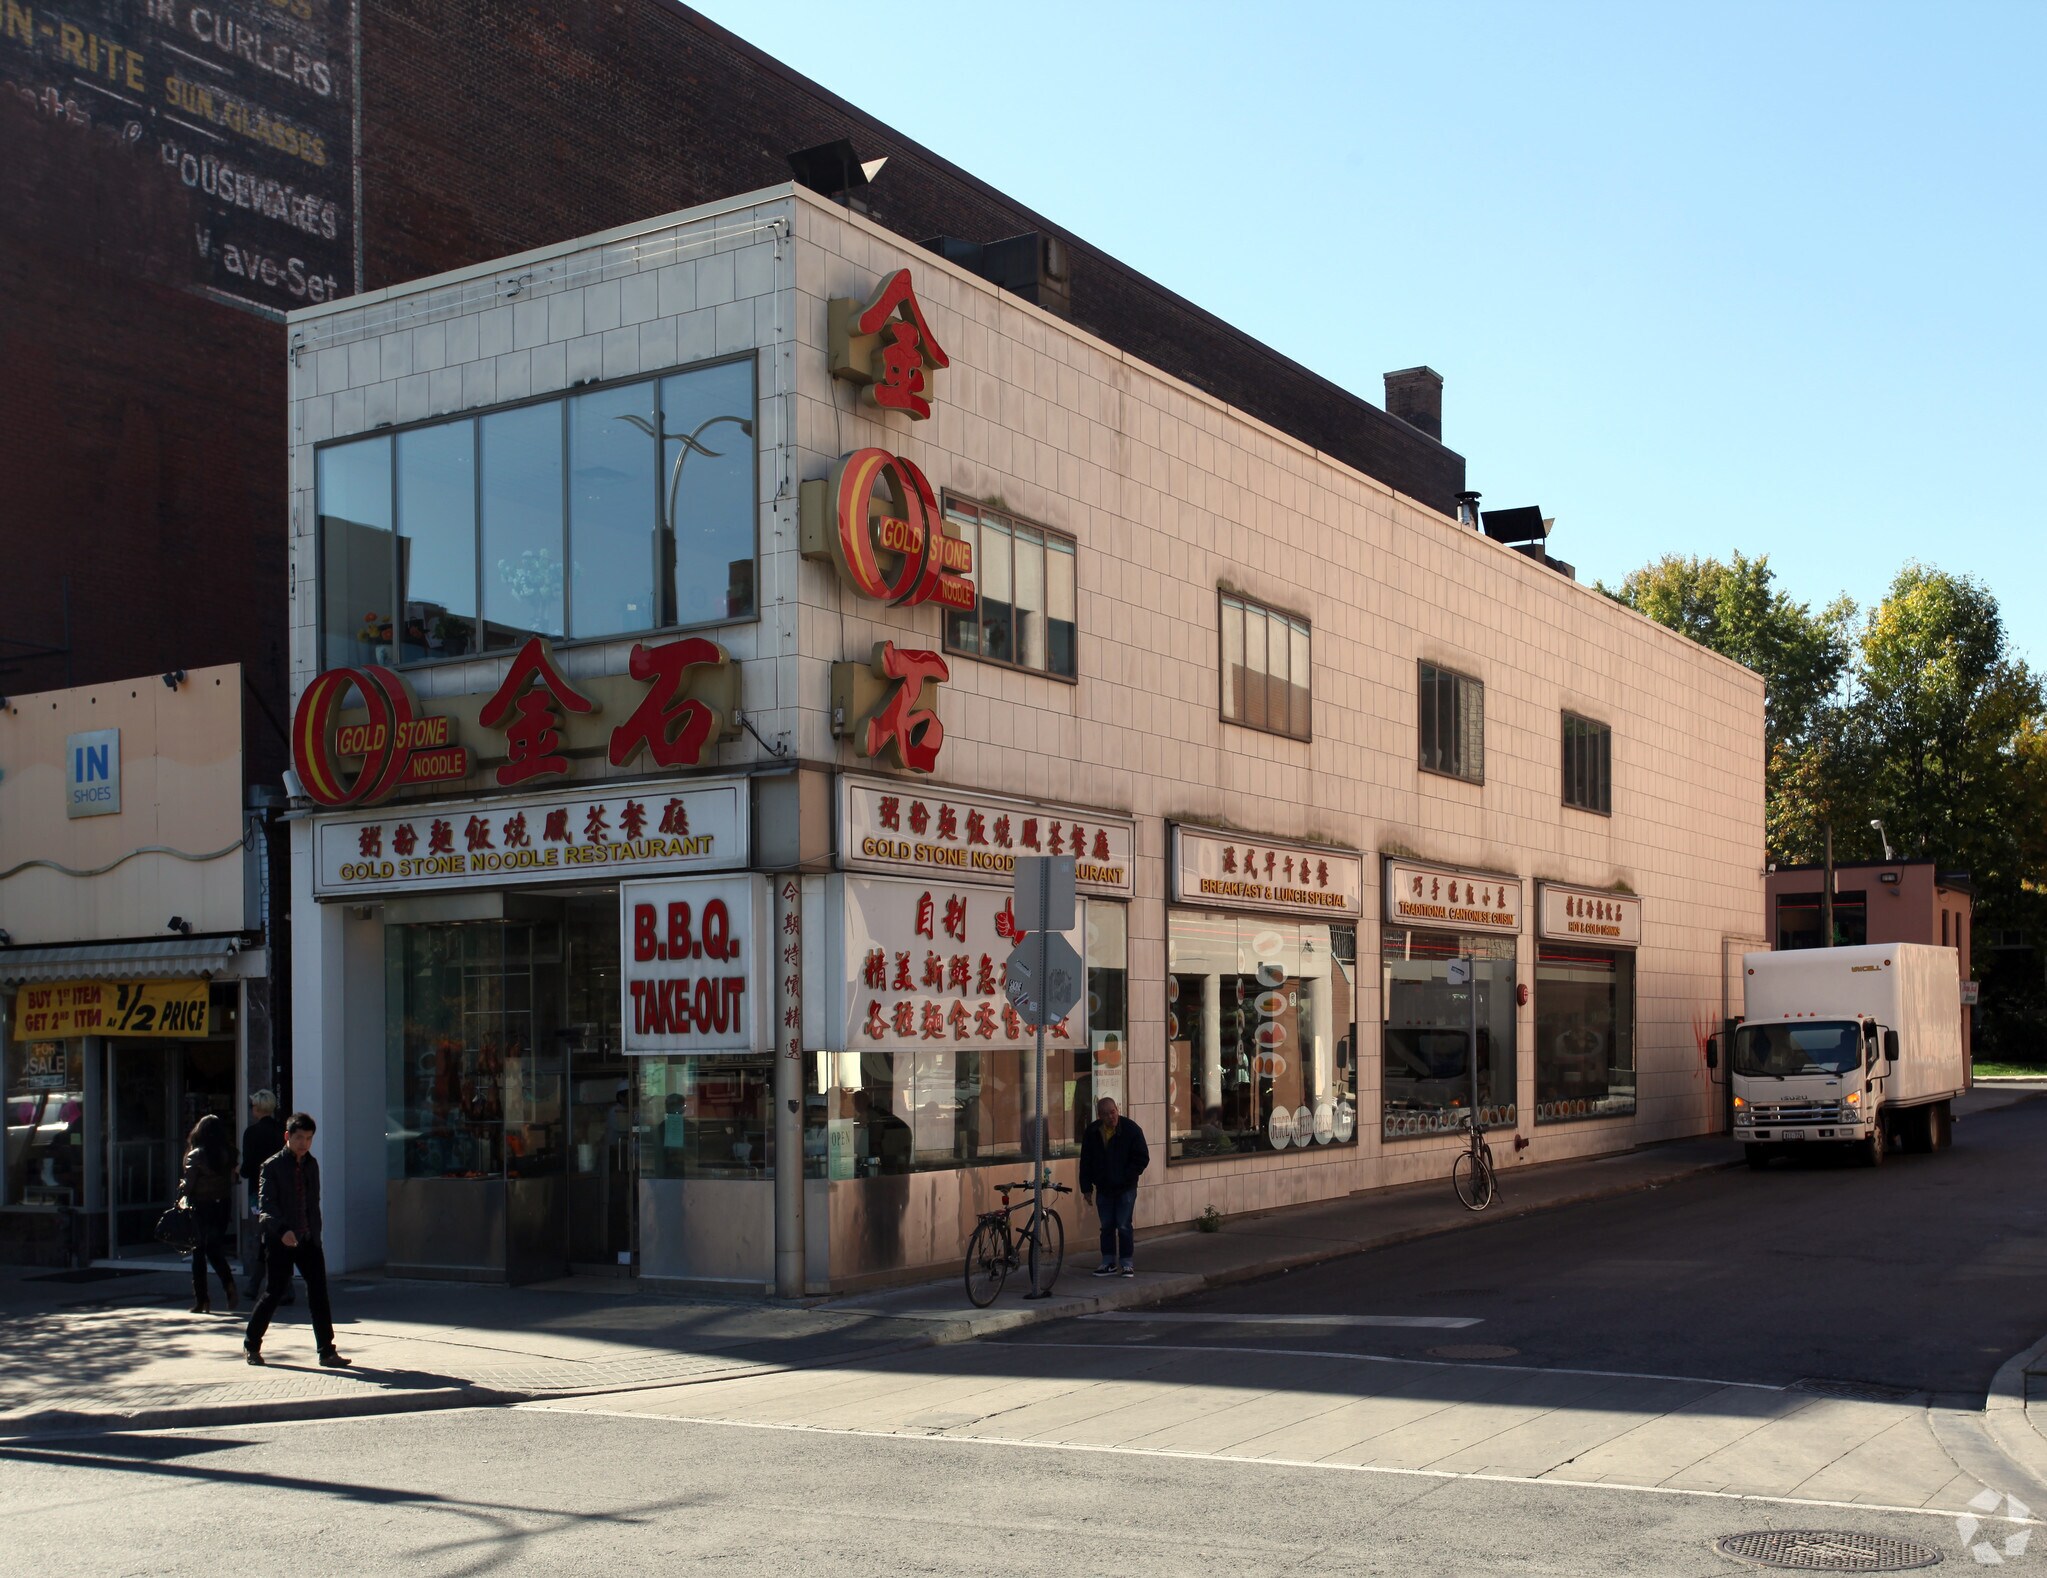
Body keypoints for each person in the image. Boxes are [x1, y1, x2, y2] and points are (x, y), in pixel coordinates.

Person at [244, 1111, 349, 1369]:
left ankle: (326, 1350)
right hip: (280, 1240)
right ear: (287, 1136)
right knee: (274, 1291)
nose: (304, 1143)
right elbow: (266, 1206)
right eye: (299, 1137)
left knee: (319, 1294)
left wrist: (314, 1233)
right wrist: (282, 1231)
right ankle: (251, 1344)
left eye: (309, 1138)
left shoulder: (312, 1164)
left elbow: (313, 1202)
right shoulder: (272, 1166)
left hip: (308, 1239)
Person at [1078, 1096, 1149, 1278]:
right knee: (1107, 1226)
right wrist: (1086, 1187)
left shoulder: (1131, 1129)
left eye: (1113, 1112)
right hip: (1104, 1187)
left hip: (1125, 1187)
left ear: (1117, 1110)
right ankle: (1108, 1262)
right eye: (1106, 1114)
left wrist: (1127, 1176)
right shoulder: (1093, 1132)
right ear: (1099, 1115)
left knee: (1124, 1225)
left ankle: (1126, 1263)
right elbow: (1086, 1161)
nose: (1111, 1117)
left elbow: (1141, 1157)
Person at [178, 1115, 238, 1314]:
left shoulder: (196, 1155)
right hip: (222, 1205)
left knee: (198, 1253)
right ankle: (228, 1283)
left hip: (201, 1206)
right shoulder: (228, 1153)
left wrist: (181, 1194)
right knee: (214, 1250)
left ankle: (202, 1299)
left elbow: (189, 1183)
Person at [239, 1090, 287, 1303]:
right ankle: (264, 1283)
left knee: (265, 1235)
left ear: (257, 1108)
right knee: (273, 1234)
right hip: (282, 1191)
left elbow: (248, 1167)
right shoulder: (281, 1131)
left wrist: (240, 1171)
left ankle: (260, 1283)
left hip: (259, 1191)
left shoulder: (252, 1133)